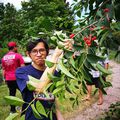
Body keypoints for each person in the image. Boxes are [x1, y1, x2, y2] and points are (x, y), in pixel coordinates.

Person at [16, 38, 72, 120]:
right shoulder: (22, 72)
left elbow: (52, 98)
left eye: (42, 50)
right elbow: (40, 87)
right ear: (28, 54)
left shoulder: (54, 73)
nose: (38, 54)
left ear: (47, 52)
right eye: (34, 51)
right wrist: (55, 56)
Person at [1, 41, 24, 113]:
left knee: (12, 95)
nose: (16, 48)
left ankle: (12, 110)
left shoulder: (4, 58)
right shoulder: (17, 55)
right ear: (14, 47)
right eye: (16, 46)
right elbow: (22, 67)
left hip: (9, 79)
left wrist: (4, 78)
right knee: (25, 92)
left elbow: (3, 69)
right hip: (17, 78)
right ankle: (26, 108)